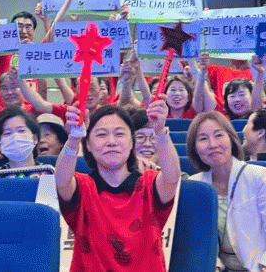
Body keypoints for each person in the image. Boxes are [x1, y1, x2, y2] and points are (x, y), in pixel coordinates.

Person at [56, 102, 180, 271]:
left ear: (131, 142)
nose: (111, 142)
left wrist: (159, 131)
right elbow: (62, 180)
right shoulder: (83, 187)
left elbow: (172, 178)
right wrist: (73, 139)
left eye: (120, 134)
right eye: (101, 134)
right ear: (88, 145)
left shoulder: (149, 185)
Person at [187, 111, 266, 272]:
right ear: (194, 148)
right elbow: (200, 243)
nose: (212, 144)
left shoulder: (259, 177)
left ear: (231, 139)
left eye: (219, 135)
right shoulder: (195, 186)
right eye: (203, 138)